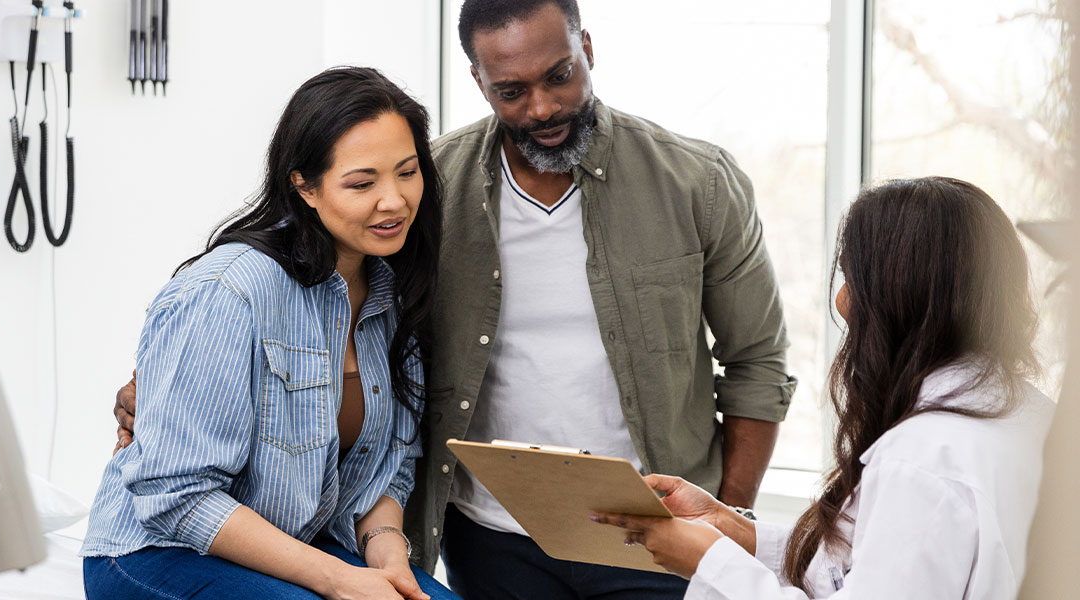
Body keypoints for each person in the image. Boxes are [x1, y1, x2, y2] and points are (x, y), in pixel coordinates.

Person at [115, 1, 796, 597]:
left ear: (587, 49)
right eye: (511, 89)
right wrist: (163, 386)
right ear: (478, 82)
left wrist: (721, 531)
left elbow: (758, 366)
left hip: (656, 537)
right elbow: (268, 303)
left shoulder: (696, 183)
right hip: (491, 535)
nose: (541, 107)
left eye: (560, 74)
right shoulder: (426, 189)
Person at [80, 67, 459, 600]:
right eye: (361, 182)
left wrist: (387, 551)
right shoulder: (230, 291)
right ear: (304, 185)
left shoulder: (392, 293)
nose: (394, 200)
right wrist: (339, 579)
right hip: (157, 553)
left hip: (293, 550)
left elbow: (386, 471)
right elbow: (175, 494)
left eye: (407, 172)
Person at [593, 177, 1055, 599]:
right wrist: (733, 531)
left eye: (852, 278)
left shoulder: (920, 460)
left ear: (894, 296)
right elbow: (867, 564)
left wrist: (710, 561)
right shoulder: (1033, 416)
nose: (843, 300)